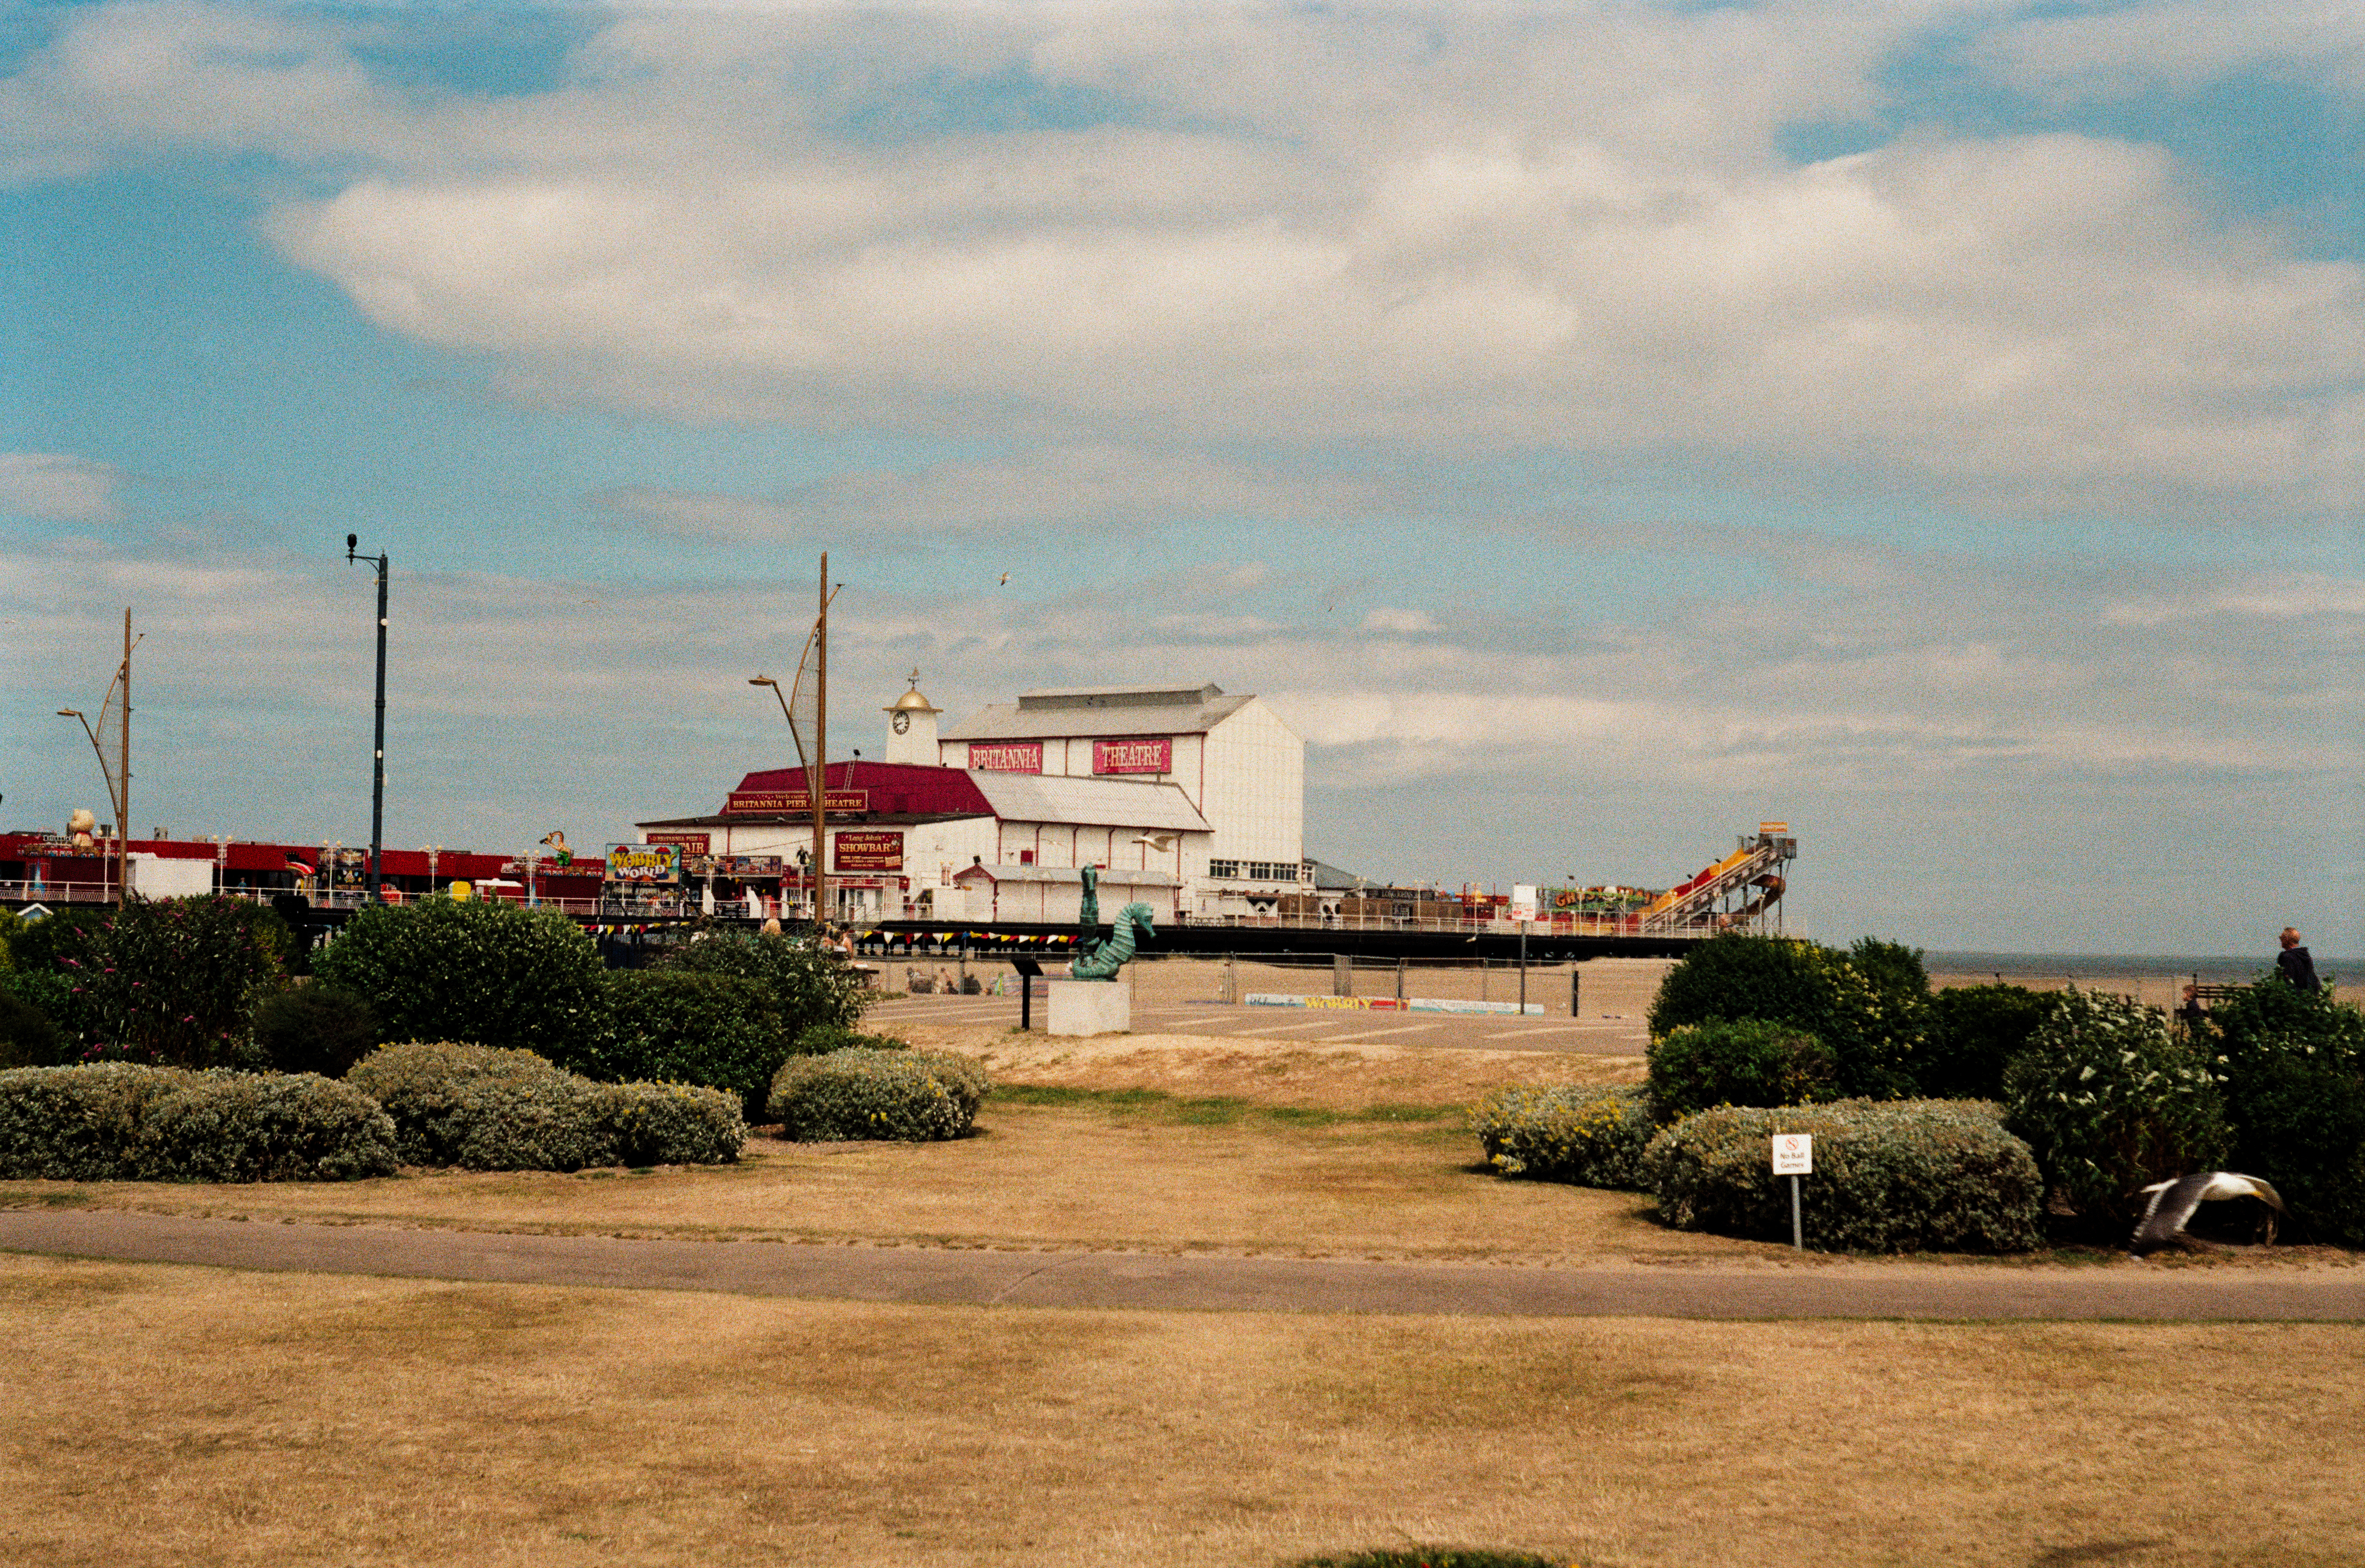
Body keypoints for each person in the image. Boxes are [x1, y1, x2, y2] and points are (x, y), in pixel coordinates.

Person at [2277, 928, 2322, 994]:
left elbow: (2286, 980)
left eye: (2281, 938)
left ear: (2286, 940)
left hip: (2294, 996)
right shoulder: (2305, 956)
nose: (2281, 941)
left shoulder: (2286, 957)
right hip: (2309, 994)